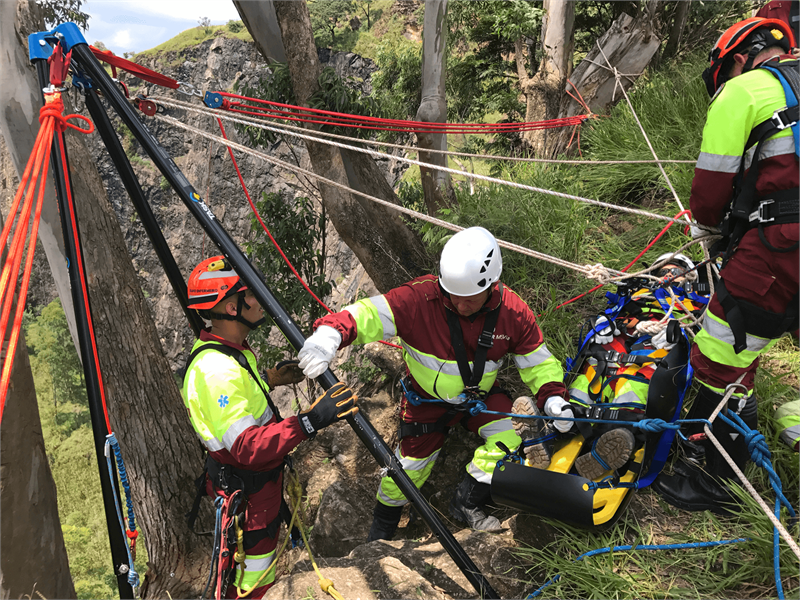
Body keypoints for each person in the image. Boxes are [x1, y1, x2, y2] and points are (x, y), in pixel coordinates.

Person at [297, 227, 569, 540]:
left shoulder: (512, 313)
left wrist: (552, 397)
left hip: (477, 399)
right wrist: (330, 334)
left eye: (469, 298)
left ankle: (467, 500)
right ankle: (384, 525)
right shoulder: (420, 299)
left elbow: (539, 363)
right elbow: (369, 314)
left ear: (491, 285)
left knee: (513, 435)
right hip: (425, 402)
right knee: (407, 470)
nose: (458, 303)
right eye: (452, 294)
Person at [652, 17, 799, 514]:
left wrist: (712, 235)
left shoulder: (744, 92)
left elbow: (711, 190)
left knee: (720, 351)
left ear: (737, 59)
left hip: (781, 245)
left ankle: (720, 482)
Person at [182, 256, 358, 598]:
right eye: (249, 293)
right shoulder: (218, 371)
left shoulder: (227, 352)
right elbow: (247, 446)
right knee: (253, 584)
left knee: (256, 574)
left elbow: (237, 403)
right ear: (232, 309)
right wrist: (313, 419)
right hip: (250, 497)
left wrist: (269, 380)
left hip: (257, 487)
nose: (258, 298)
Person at [512, 253, 707, 480]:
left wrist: (679, 335)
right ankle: (554, 428)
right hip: (621, 333)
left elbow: (708, 332)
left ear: (690, 278)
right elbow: (617, 308)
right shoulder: (636, 291)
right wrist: (604, 322)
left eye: (677, 272)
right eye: (663, 271)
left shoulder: (696, 302)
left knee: (636, 380)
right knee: (595, 369)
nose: (669, 275)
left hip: (658, 338)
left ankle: (613, 442)